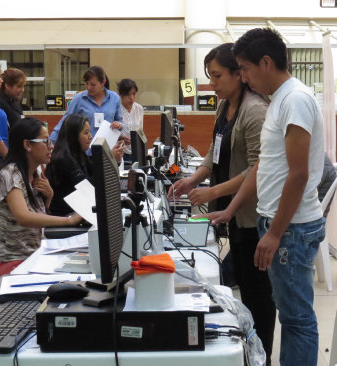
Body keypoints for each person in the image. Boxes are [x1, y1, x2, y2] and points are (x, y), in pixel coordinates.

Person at [201, 29, 325, 366]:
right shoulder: (278, 101)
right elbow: (264, 167)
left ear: (266, 63)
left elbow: (298, 175)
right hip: (278, 223)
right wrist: (230, 210)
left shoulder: (294, 100)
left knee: (296, 320)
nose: (243, 76)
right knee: (288, 313)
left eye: (245, 68)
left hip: (292, 228)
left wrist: (274, 233)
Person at [168, 43, 276, 361]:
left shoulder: (255, 110)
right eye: (209, 76)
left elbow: (257, 168)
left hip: (251, 216)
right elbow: (213, 155)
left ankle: (263, 355)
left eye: (216, 76)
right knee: (242, 283)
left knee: (258, 295)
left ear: (238, 74)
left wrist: (213, 193)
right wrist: (194, 179)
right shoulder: (225, 106)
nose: (211, 83)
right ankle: (249, 350)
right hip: (231, 214)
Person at [0, 117, 83, 281]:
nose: (51, 147)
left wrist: (48, 198)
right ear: (27, 145)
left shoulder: (34, 174)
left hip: (33, 256)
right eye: (45, 141)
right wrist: (68, 220)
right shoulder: (9, 174)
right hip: (12, 262)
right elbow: (24, 217)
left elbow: (35, 219)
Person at [45, 114, 125, 216]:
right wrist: (109, 159)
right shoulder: (64, 159)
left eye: (89, 132)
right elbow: (88, 188)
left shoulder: (79, 153)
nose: (90, 136)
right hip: (65, 217)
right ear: (74, 136)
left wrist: (114, 160)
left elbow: (94, 172)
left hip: (79, 211)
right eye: (86, 133)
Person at [49, 66, 123, 145]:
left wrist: (119, 125)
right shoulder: (79, 99)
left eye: (93, 84)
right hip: (85, 149)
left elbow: (120, 121)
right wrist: (51, 140)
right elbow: (65, 121)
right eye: (86, 83)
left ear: (103, 83)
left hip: (108, 149)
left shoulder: (114, 98)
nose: (89, 87)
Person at [117, 78, 144, 161]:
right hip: (120, 151)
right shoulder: (116, 109)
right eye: (128, 95)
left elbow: (141, 131)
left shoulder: (139, 108)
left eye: (134, 94)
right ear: (121, 95)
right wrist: (121, 138)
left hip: (136, 151)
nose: (131, 98)